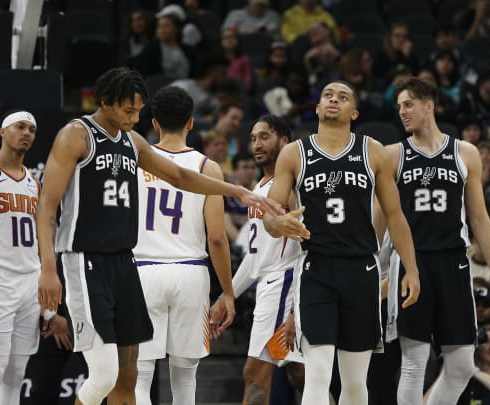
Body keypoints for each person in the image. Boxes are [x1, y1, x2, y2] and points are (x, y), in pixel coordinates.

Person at [35, 67, 278, 405]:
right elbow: (46, 208)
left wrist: (235, 190)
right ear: (105, 101)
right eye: (128, 110)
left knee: (130, 377)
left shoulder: (132, 141)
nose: (135, 119)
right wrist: (48, 268)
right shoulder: (75, 136)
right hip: (85, 260)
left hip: (126, 264)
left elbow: (179, 175)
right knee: (104, 375)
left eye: (139, 111)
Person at [262, 80, 421, 405]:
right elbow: (270, 215)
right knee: (317, 375)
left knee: (354, 383)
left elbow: (395, 215)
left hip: (362, 270)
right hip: (316, 270)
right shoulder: (294, 153)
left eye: (343, 97)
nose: (334, 99)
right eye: (328, 96)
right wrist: (278, 222)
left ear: (354, 111)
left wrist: (411, 269)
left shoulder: (373, 151)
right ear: (318, 108)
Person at [390, 77, 490, 405]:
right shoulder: (394, 155)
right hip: (413, 262)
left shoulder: (465, 152)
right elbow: (381, 219)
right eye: (399, 107)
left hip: (455, 260)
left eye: (408, 104)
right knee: (414, 362)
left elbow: (479, 216)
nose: (402, 112)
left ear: (430, 105)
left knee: (462, 365)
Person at [131, 86, 235, 405]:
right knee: (185, 377)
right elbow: (217, 238)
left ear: (155, 123)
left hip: (144, 271)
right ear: (191, 123)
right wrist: (228, 292)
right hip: (190, 273)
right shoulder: (209, 169)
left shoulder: (136, 162)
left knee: (140, 375)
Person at [232, 115, 305, 405]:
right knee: (301, 373)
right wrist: (228, 295)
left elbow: (305, 243)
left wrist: (294, 307)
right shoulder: (259, 188)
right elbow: (253, 258)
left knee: (254, 373)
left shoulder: (290, 187)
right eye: (253, 138)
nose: (257, 144)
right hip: (268, 282)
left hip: (284, 282)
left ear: (284, 142)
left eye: (265, 136)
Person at [0, 111, 41, 405]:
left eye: (31, 129)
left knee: (17, 372)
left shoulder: (33, 180)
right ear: (3, 132)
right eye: (20, 127)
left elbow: (42, 242)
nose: (27, 133)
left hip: (30, 281)